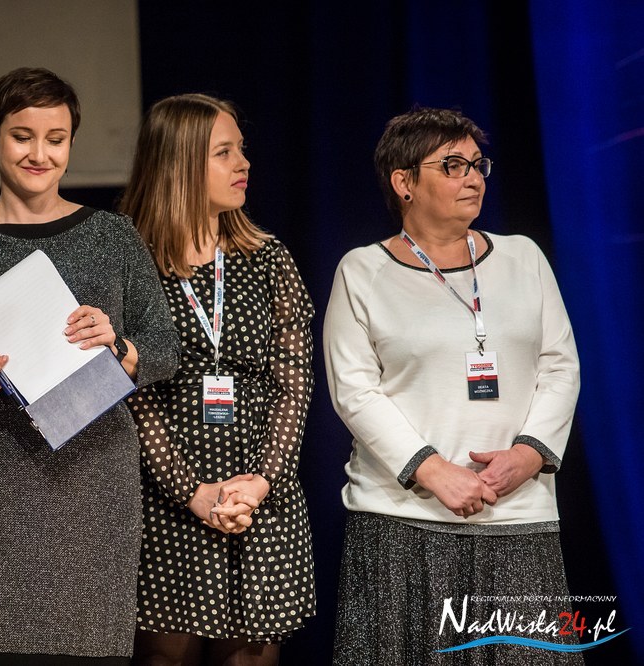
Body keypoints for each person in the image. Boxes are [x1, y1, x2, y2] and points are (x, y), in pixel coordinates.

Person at [0, 67, 179, 665]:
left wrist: (119, 346)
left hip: (90, 484)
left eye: (55, 139)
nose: (39, 153)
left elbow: (164, 347)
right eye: (22, 136)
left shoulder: (113, 235)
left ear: (71, 142)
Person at [323, 107, 582, 664]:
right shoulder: (362, 271)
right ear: (404, 182)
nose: (473, 178)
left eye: (477, 164)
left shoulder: (523, 257)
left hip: (517, 515)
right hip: (402, 521)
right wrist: (432, 469)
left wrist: (529, 455)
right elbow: (354, 390)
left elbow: (560, 366)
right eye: (452, 165)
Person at [120, 94, 316, 666]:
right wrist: (192, 492)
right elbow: (131, 394)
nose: (243, 163)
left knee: (252, 654)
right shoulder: (133, 264)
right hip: (167, 500)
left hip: (258, 495)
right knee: (165, 655)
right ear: (179, 162)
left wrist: (261, 482)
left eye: (242, 149)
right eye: (224, 152)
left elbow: (294, 382)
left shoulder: (269, 258)